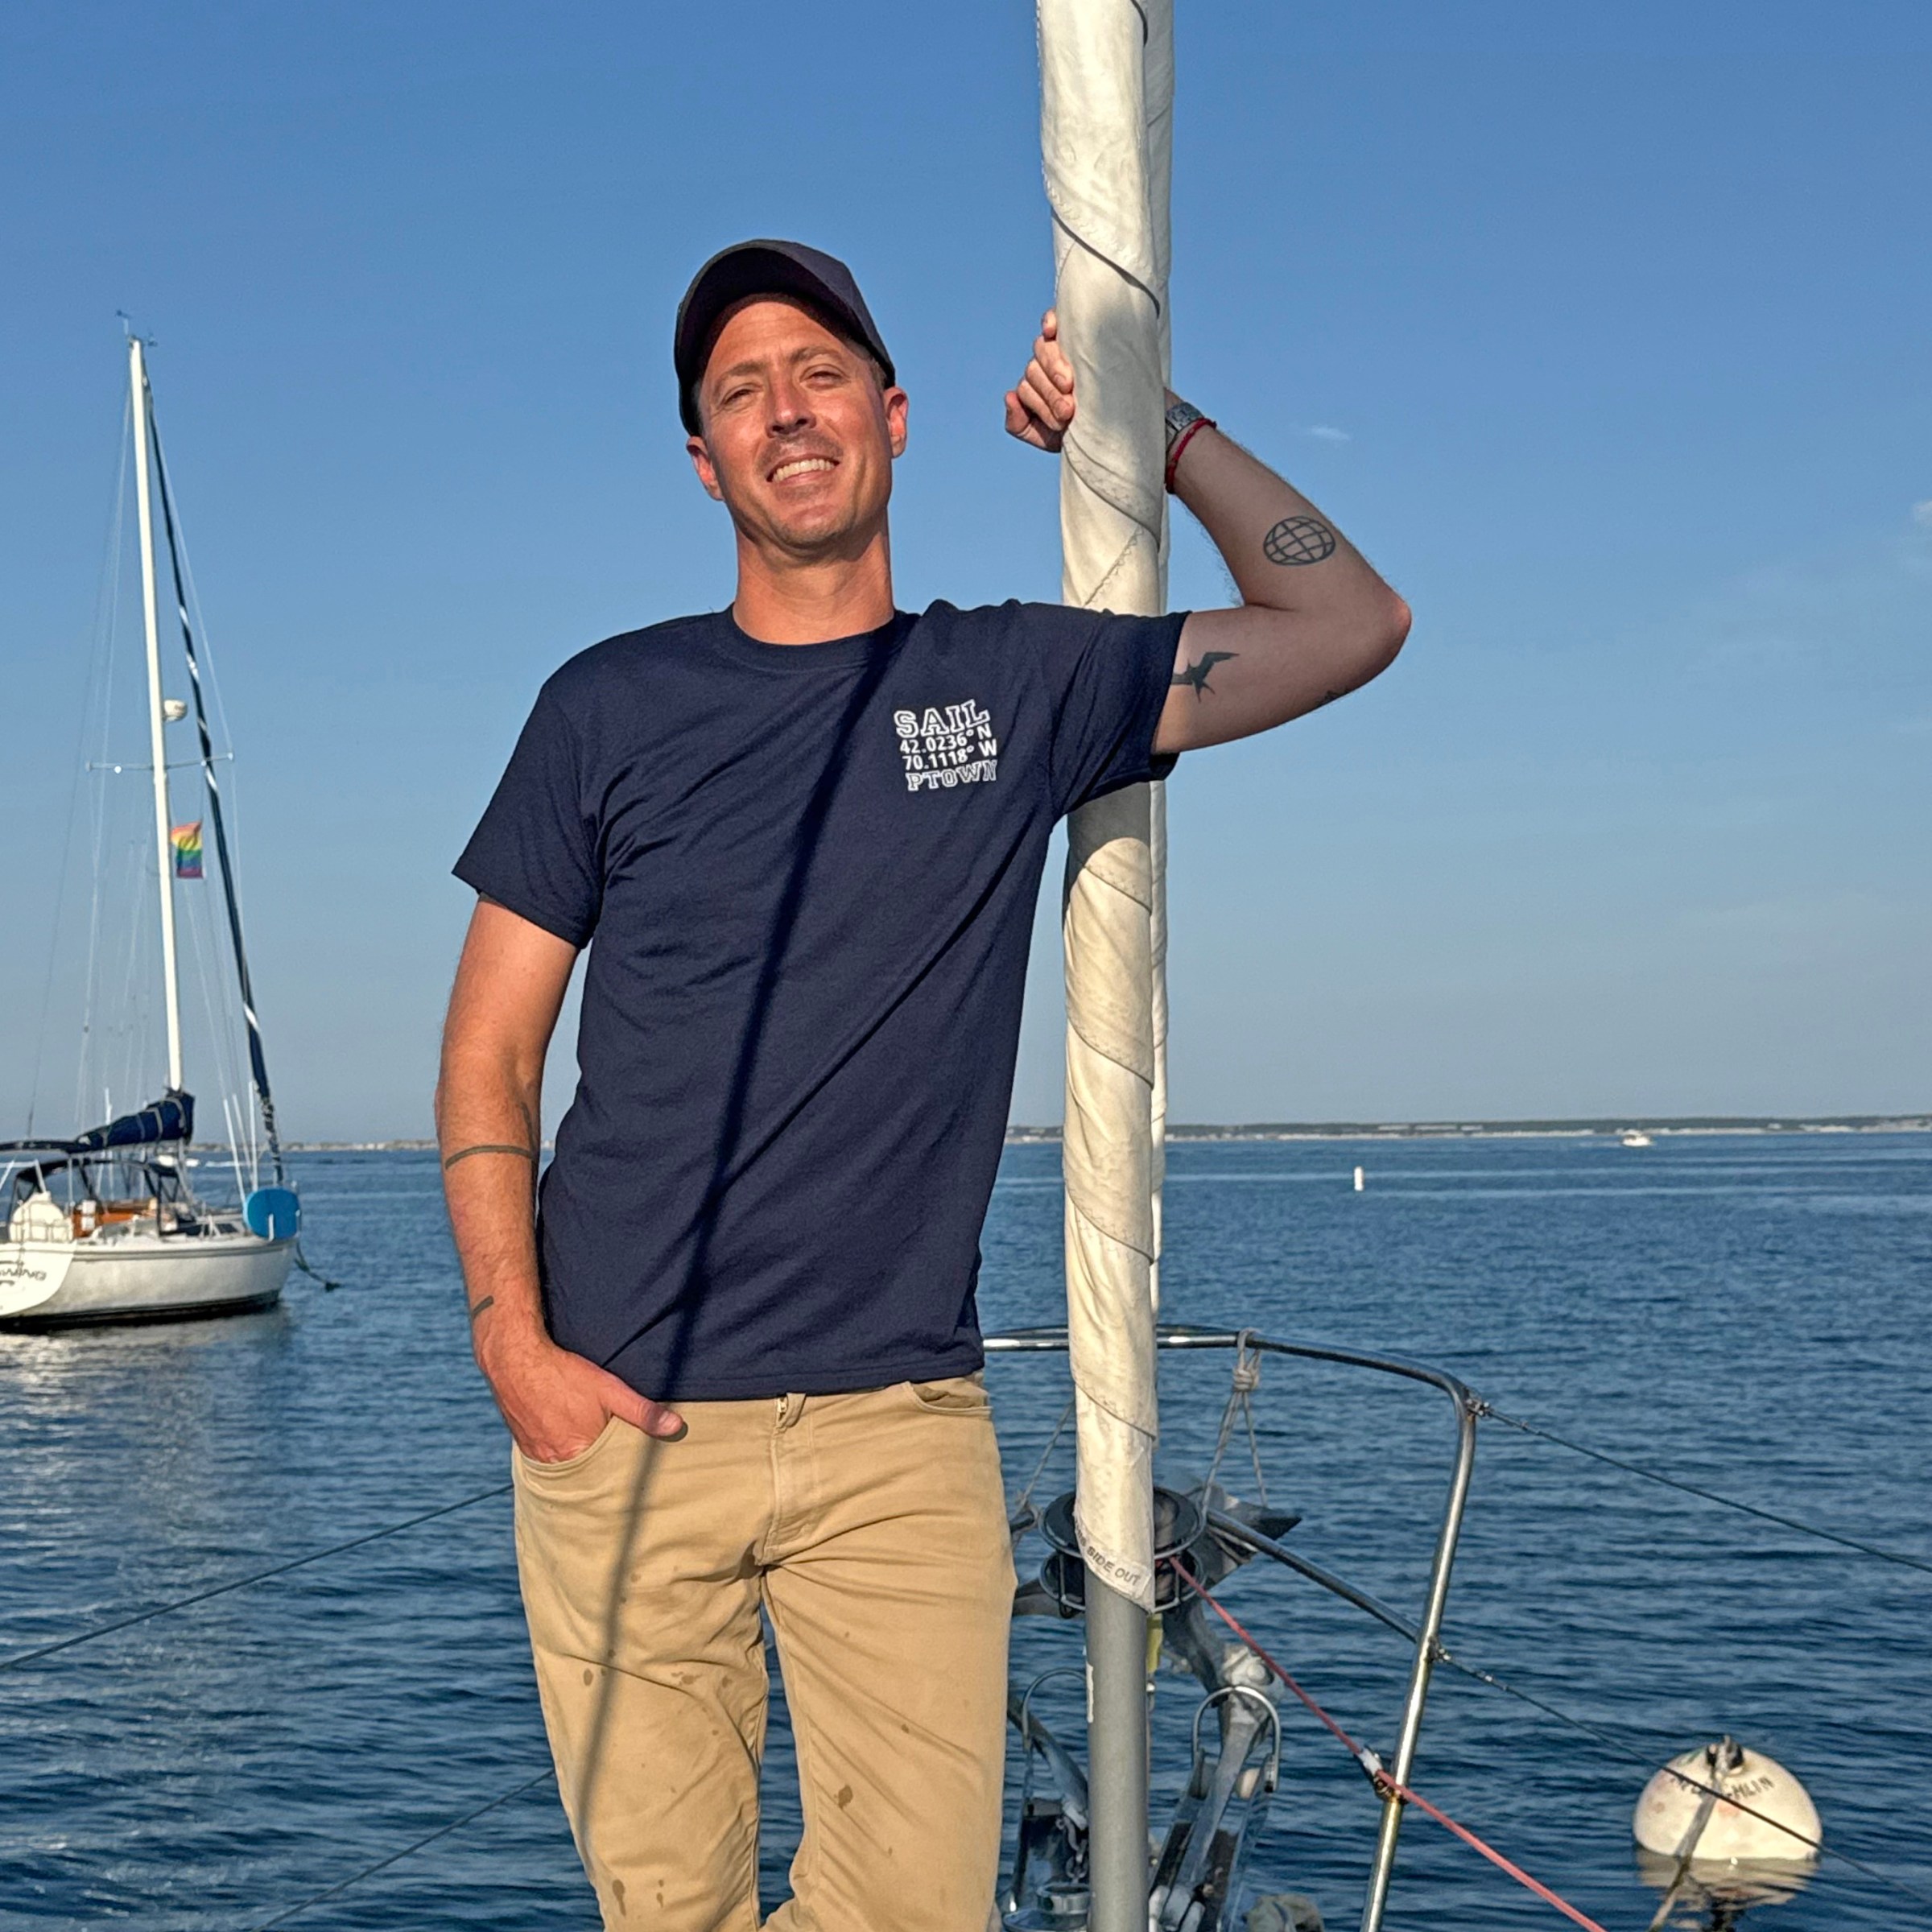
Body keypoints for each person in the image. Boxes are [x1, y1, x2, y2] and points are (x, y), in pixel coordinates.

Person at [436, 238, 1409, 1932]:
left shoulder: (1012, 684)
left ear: (891, 415)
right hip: (615, 1413)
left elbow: (1351, 619)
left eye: (816, 371)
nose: (782, 409)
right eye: (737, 391)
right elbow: (491, 1049)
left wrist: (1152, 424)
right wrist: (512, 1345)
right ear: (702, 460)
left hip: (900, 1435)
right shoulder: (604, 708)